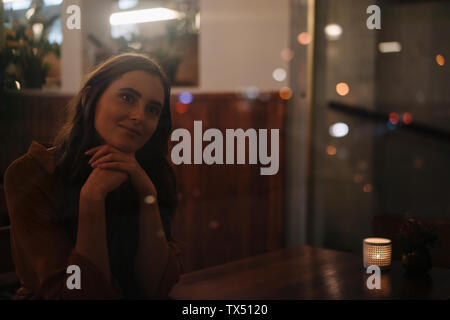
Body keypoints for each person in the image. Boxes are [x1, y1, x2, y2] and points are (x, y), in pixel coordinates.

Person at [3, 53, 183, 299]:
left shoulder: (153, 175)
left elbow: (156, 288)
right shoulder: (32, 173)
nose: (139, 116)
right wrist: (92, 198)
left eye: (153, 109)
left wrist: (147, 194)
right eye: (127, 97)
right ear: (89, 99)